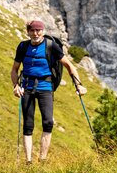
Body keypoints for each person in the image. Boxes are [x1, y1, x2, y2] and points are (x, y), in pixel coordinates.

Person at [11, 18, 87, 163]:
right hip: (26, 87)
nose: (35, 33)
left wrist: (79, 85)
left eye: (38, 30)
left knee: (48, 122)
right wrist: (15, 86)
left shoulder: (51, 45)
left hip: (45, 87)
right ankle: (28, 162)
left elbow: (69, 66)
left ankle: (42, 159)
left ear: (43, 31)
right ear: (28, 32)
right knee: (28, 124)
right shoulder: (22, 47)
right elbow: (14, 70)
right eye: (32, 30)